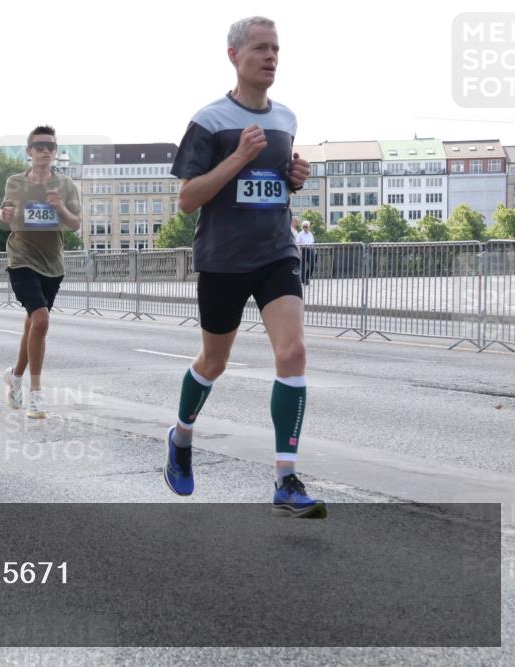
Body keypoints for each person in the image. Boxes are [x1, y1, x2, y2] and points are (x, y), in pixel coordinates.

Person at [167, 16, 324, 518]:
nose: (271, 57)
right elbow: (188, 199)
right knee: (213, 363)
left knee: (293, 351)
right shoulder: (209, 121)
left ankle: (285, 479)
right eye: (260, 48)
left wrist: (294, 178)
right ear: (234, 55)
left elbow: (273, 180)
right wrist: (237, 158)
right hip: (223, 260)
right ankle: (182, 435)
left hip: (276, 253)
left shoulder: (287, 119)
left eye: (276, 49)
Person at [0, 125, 81, 419]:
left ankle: (15, 376)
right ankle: (36, 394)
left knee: (32, 324)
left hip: (52, 264)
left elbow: (74, 224)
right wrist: (4, 214)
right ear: (29, 151)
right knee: (41, 320)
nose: (45, 151)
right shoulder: (16, 182)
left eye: (51, 147)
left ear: (55, 152)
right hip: (21, 258)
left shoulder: (66, 185)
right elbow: (6, 213)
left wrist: (60, 208)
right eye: (40, 146)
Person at [296, 220, 316, 285]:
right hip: (303, 249)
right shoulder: (300, 234)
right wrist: (298, 251)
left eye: (306, 226)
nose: (305, 228)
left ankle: (307, 277)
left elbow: (312, 243)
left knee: (312, 265)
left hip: (311, 250)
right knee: (303, 266)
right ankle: (304, 280)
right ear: (302, 227)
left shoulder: (310, 234)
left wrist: (314, 250)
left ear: (309, 227)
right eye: (304, 226)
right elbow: (297, 243)